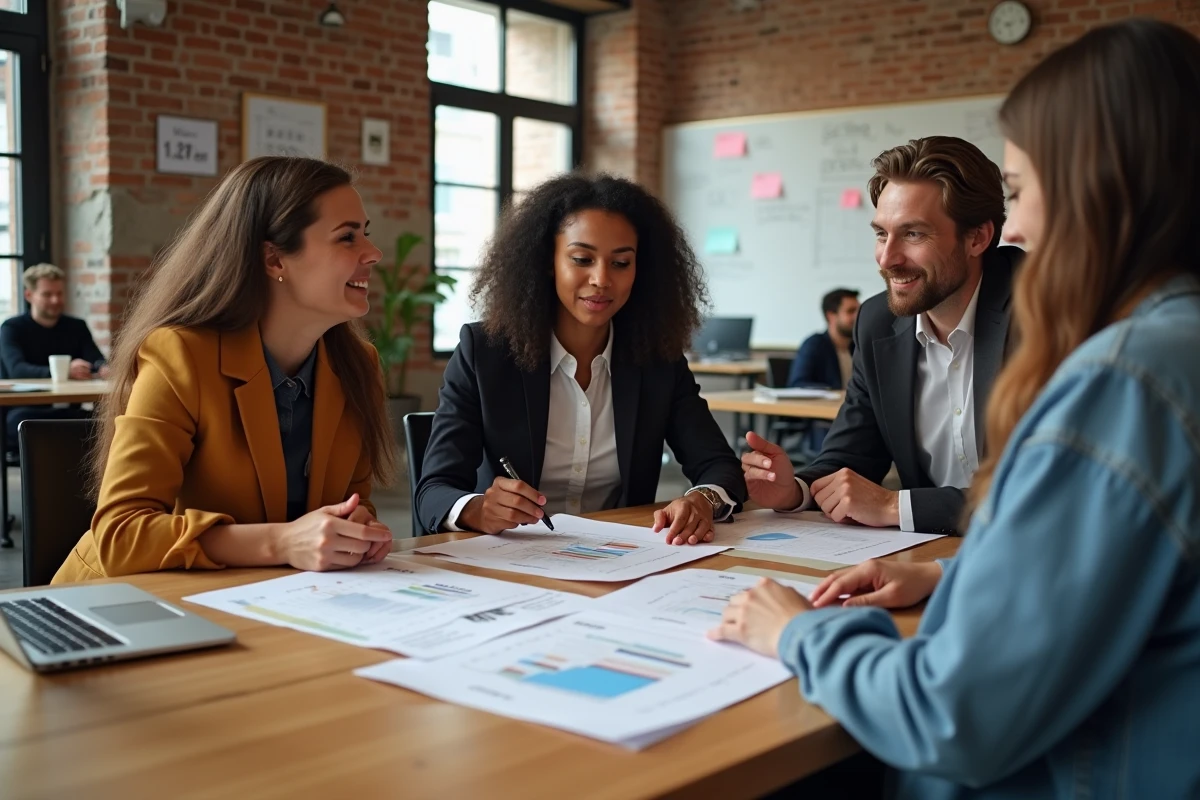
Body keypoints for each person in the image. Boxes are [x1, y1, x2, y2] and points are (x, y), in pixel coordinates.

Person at [713, 19, 1200, 798]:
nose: (1026, 228)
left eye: (1023, 191)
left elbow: (954, 716)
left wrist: (801, 633)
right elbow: (1106, 559)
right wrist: (952, 577)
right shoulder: (1174, 343)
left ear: (1103, 187)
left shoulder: (1120, 375)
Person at [53, 157, 394, 583]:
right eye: (347, 237)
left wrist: (354, 524)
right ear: (274, 260)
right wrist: (284, 541)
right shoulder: (180, 355)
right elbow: (123, 536)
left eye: (365, 234)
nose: (373, 253)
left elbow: (351, 501)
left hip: (268, 602)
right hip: (121, 606)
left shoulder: (359, 366)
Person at [416, 173, 747, 545]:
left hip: (622, 560)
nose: (601, 279)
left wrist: (701, 499)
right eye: (581, 259)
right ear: (547, 261)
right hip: (512, 561)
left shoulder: (658, 360)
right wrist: (479, 509)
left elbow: (720, 465)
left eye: (621, 263)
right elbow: (433, 492)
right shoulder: (485, 352)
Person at [743, 136, 1023, 535]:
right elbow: (852, 453)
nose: (887, 258)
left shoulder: (1040, 311)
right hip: (934, 560)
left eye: (913, 235)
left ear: (977, 238)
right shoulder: (877, 321)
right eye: (880, 234)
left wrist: (896, 505)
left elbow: (1045, 487)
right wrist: (796, 491)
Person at [0, 263, 109, 459]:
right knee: (23, 422)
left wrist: (104, 368)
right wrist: (65, 371)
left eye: (59, 293)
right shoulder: (11, 328)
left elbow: (96, 359)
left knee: (103, 423)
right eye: (47, 294)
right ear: (29, 296)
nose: (55, 300)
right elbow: (17, 369)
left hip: (68, 411)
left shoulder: (76, 326)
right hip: (26, 413)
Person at [787, 287, 859, 390]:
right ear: (831, 316)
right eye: (850, 311)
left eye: (859, 310)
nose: (857, 316)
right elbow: (798, 383)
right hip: (827, 405)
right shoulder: (814, 345)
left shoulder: (857, 346)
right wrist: (831, 391)